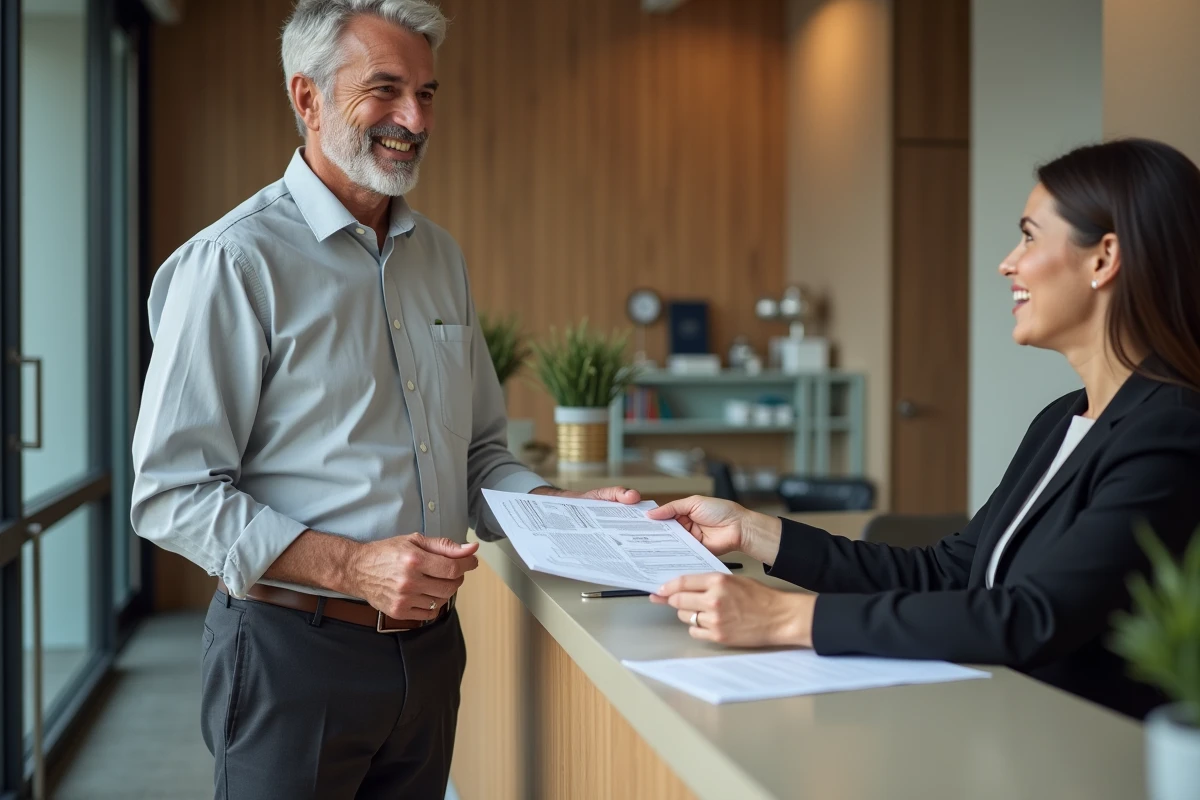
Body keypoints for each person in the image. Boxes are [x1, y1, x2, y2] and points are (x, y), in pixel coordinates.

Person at [130, 1, 637, 797]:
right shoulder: (235, 262)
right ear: (308, 99)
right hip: (290, 655)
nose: (414, 118)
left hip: (431, 654)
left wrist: (570, 517)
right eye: (386, 89)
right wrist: (355, 567)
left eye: (428, 93)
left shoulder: (439, 257)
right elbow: (171, 495)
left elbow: (479, 459)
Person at [649, 138, 1200, 720]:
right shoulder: (1062, 419)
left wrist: (784, 619)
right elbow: (948, 574)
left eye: (1030, 236)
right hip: (998, 722)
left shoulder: (1171, 431)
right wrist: (752, 531)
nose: (1008, 262)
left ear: (1103, 257)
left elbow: (1036, 617)